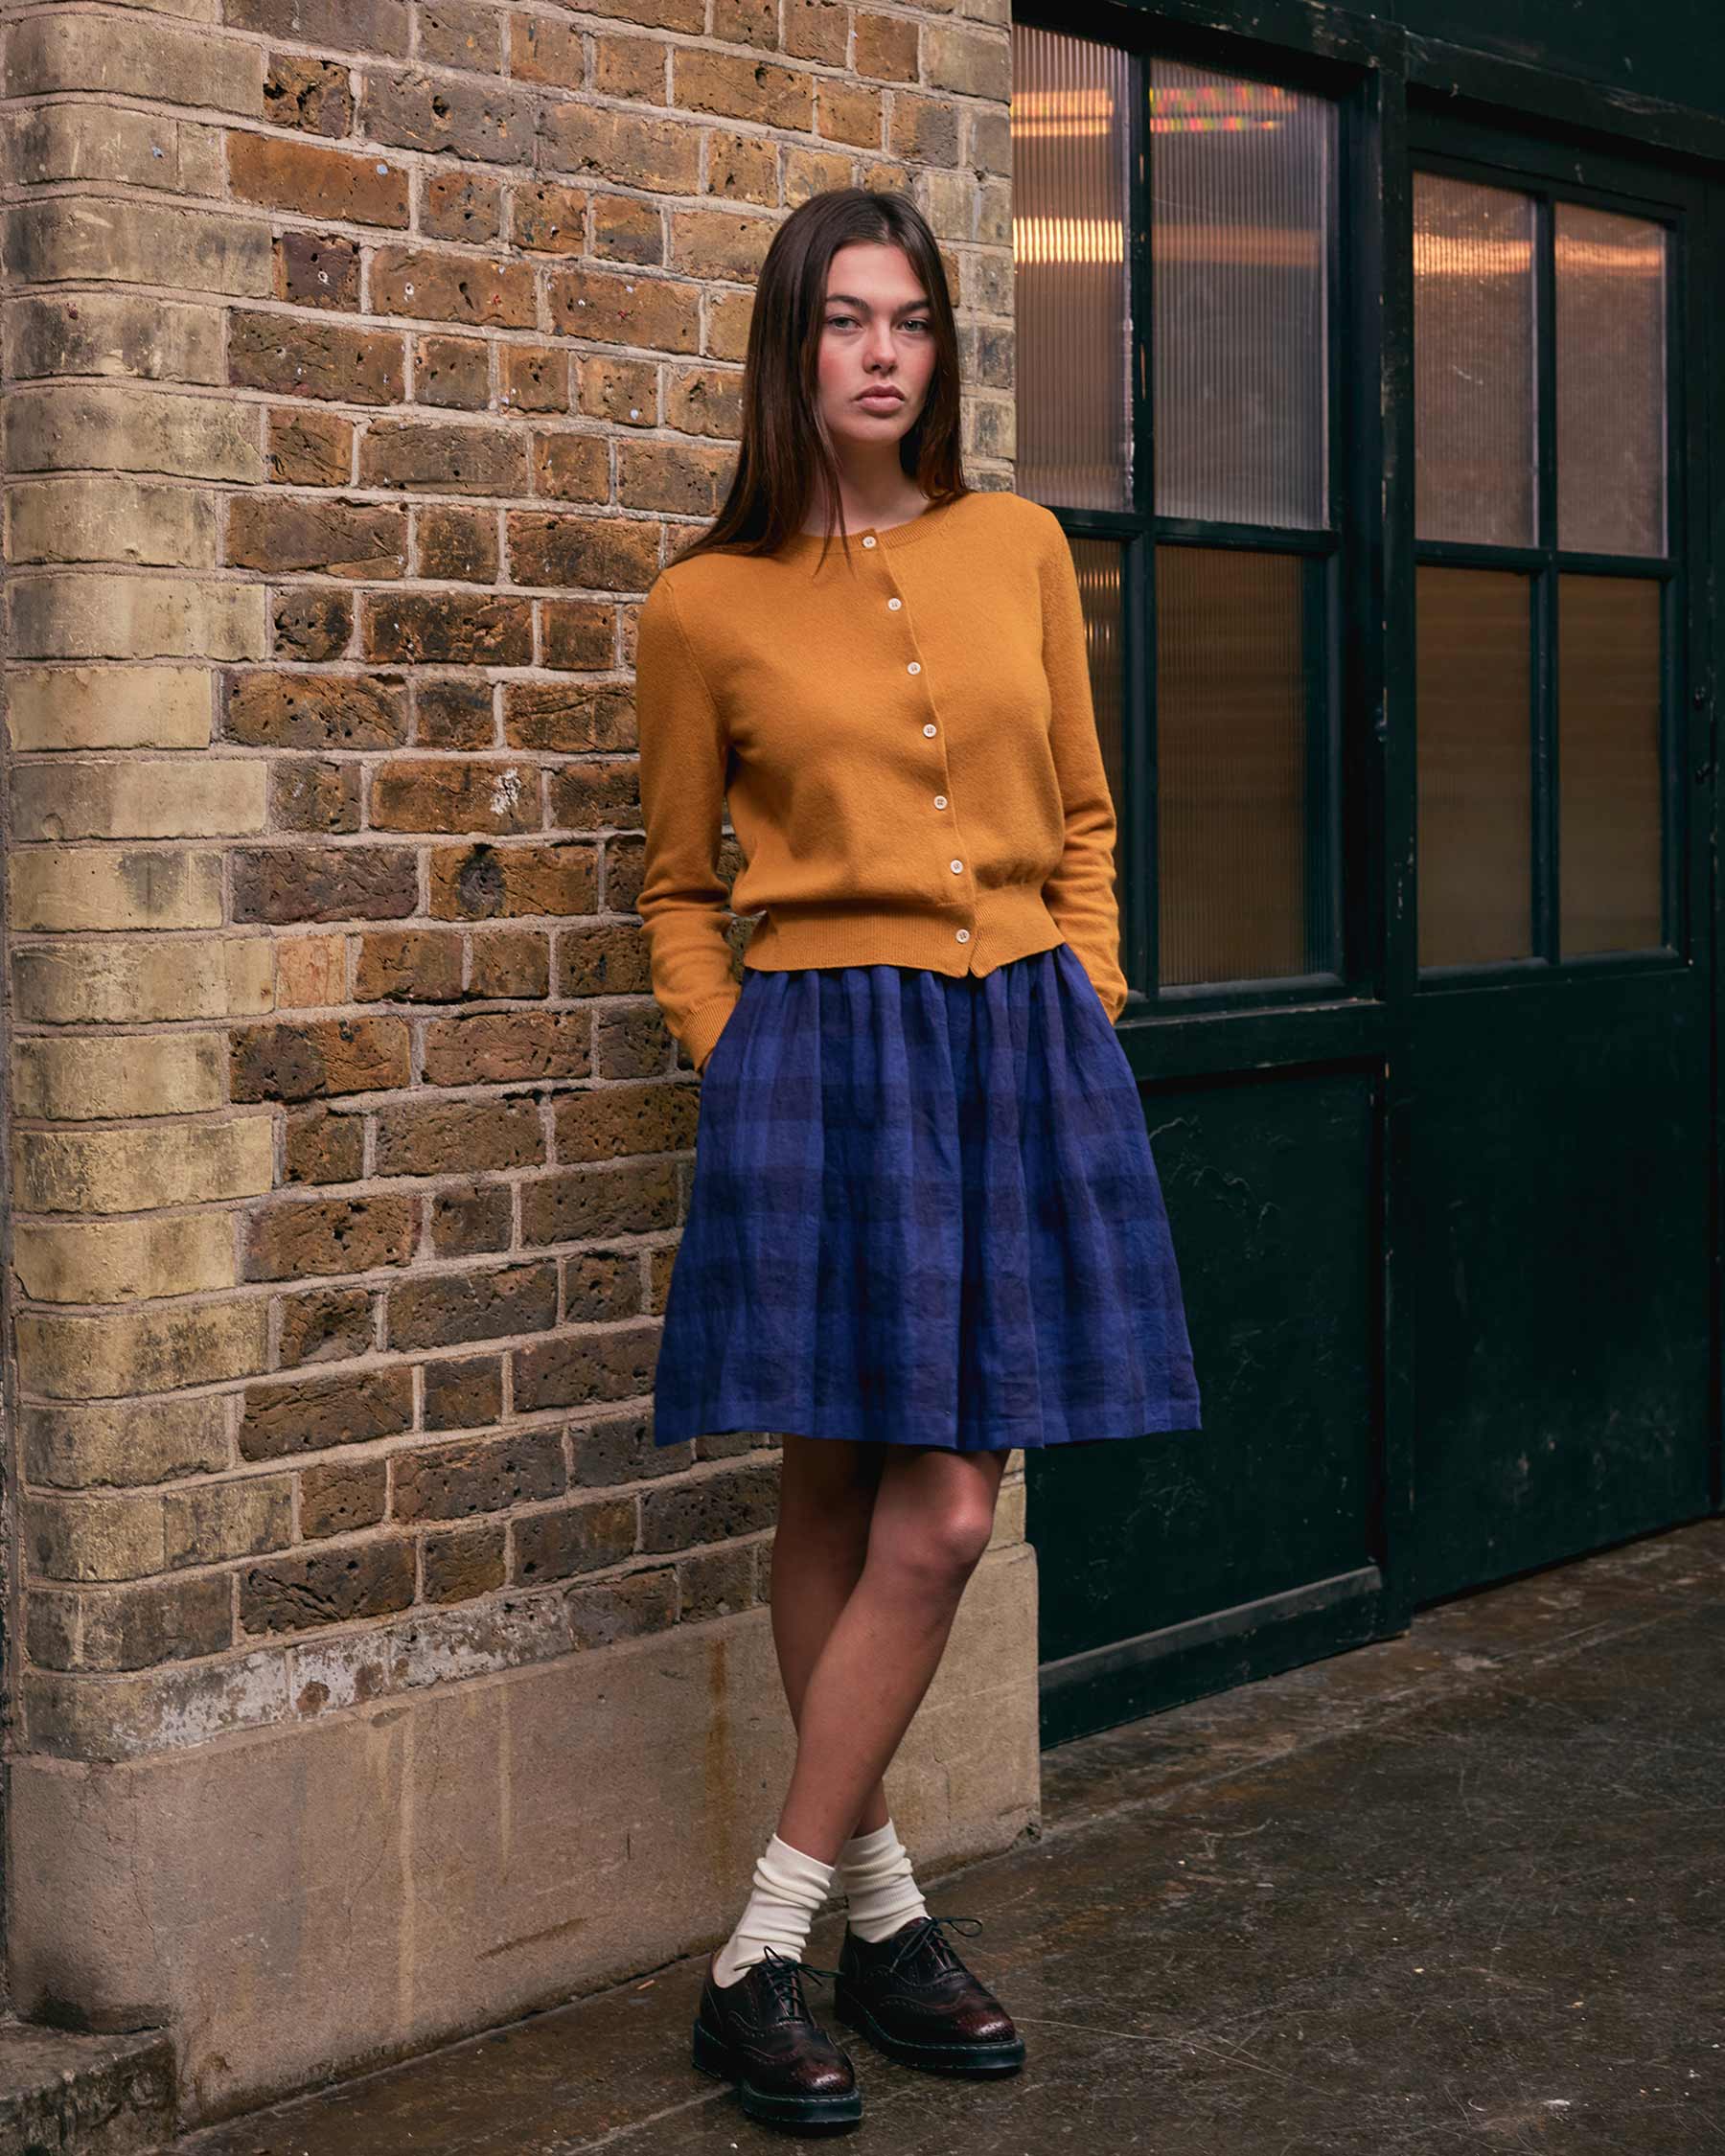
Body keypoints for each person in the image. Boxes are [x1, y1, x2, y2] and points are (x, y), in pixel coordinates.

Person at [633, 185, 1202, 2132]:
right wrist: (743, 1049)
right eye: (848, 320)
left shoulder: (1018, 543)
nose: (885, 352)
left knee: (945, 1509)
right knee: (834, 1482)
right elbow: (674, 884)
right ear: (794, 351)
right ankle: (874, 1925)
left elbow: (1088, 805)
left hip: (1016, 1035)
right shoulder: (704, 604)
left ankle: (766, 1946)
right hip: (822, 1051)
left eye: (916, 321)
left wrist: (1090, 987)